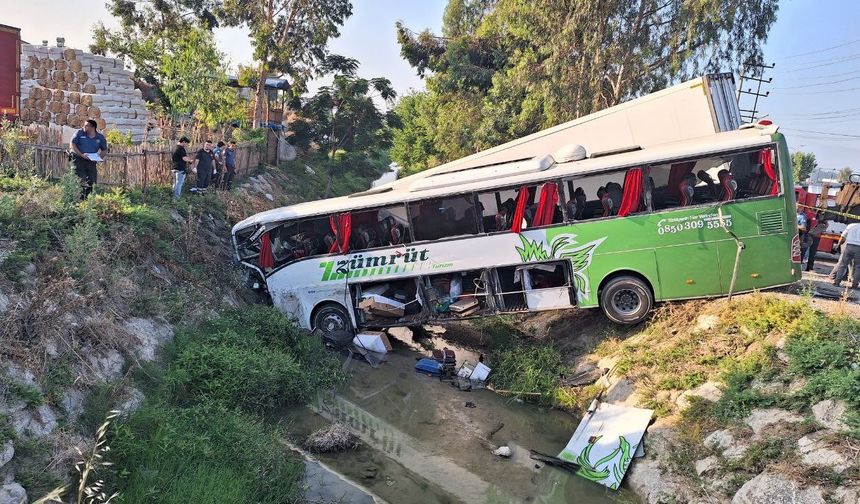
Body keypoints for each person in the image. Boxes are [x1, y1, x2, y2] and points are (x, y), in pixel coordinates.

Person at [69, 119, 107, 199]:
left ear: (92, 127)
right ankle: (79, 199)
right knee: (80, 179)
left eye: (86, 126)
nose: (84, 127)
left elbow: (104, 150)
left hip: (91, 160)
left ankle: (88, 199)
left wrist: (98, 158)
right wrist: (81, 155)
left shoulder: (100, 137)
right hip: (78, 158)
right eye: (84, 125)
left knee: (91, 180)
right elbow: (72, 144)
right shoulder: (79, 133)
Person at [830, 221, 860, 289]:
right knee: (858, 267)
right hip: (859, 248)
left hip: (849, 246)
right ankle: (854, 285)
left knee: (843, 265)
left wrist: (838, 245)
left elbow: (842, 237)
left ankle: (837, 282)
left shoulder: (851, 225)